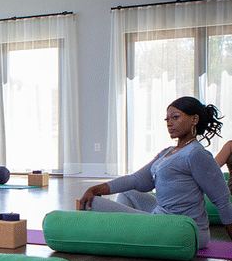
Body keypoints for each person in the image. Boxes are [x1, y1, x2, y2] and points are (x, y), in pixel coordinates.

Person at [78, 96, 232, 249]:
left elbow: (222, 199)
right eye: (167, 120)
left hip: (184, 229)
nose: (169, 123)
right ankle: (133, 235)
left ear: (194, 119)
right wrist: (96, 189)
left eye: (175, 117)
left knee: (93, 204)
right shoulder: (169, 152)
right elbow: (137, 180)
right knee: (127, 193)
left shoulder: (196, 154)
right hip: (162, 217)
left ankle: (131, 234)